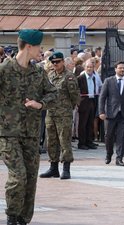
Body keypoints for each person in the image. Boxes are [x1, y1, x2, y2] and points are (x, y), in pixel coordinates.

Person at [0, 29, 57, 225]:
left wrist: (40, 104)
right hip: (8, 134)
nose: (41, 50)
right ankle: (12, 216)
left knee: (31, 179)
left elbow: (53, 93)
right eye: (39, 46)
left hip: (31, 134)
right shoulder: (4, 70)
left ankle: (23, 219)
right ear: (29, 46)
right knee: (18, 177)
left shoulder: (38, 72)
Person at [39, 51, 80, 180]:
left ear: (63, 62)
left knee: (64, 141)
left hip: (64, 114)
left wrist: (69, 108)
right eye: (53, 62)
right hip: (51, 113)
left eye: (57, 62)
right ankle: (53, 168)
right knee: (51, 141)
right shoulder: (50, 75)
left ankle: (66, 169)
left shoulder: (69, 77)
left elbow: (75, 96)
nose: (55, 64)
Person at [99, 61, 124, 166]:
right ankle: (108, 154)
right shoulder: (108, 81)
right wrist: (101, 111)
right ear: (115, 69)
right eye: (120, 68)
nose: (122, 70)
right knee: (109, 136)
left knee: (122, 137)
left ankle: (119, 158)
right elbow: (102, 97)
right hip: (110, 114)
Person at [77, 59, 98, 150]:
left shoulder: (94, 77)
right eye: (88, 67)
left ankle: (89, 141)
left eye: (91, 67)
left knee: (90, 123)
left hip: (91, 101)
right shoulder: (80, 78)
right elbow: (76, 91)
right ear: (84, 68)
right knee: (83, 124)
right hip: (83, 103)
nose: (89, 69)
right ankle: (81, 143)